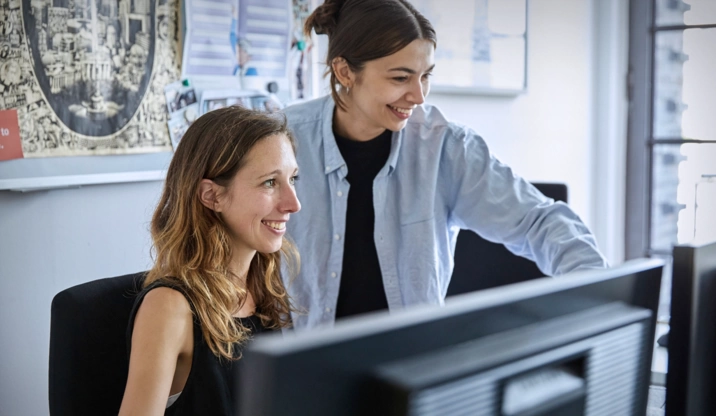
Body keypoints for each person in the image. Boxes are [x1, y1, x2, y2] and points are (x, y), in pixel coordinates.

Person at [281, 0, 608, 329]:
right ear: (345, 71)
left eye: (425, 76)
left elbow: (538, 222)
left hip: (411, 367)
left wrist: (599, 295)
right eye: (400, 78)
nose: (419, 96)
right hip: (300, 368)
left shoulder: (446, 148)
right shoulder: (281, 141)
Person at [119, 107, 301, 415]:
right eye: (270, 182)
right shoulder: (169, 306)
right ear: (212, 196)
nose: (293, 203)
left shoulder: (262, 284)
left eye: (293, 178)